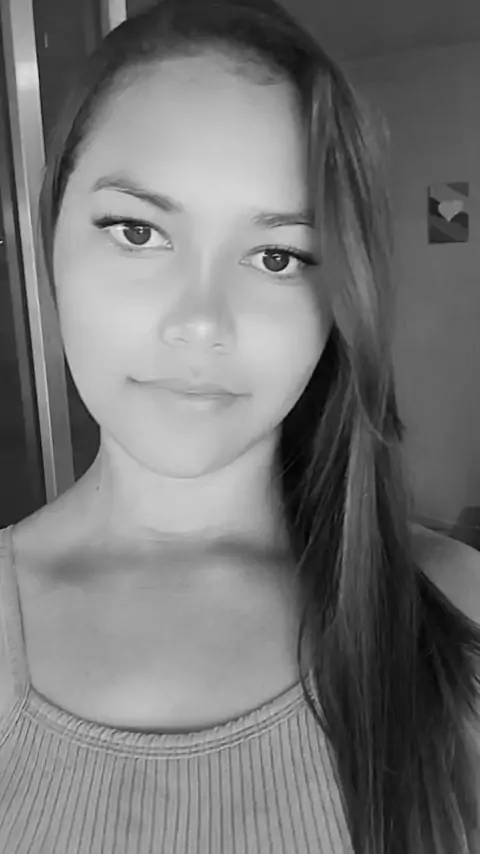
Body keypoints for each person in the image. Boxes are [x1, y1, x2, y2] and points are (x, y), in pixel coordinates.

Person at [0, 0, 479, 851]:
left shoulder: (457, 612)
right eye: (138, 231)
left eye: (277, 256)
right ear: (52, 243)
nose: (200, 322)